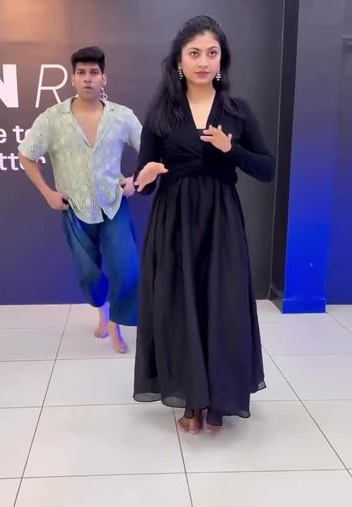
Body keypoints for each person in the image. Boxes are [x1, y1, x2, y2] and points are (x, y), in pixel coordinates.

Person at [133, 16, 275, 432]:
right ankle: (191, 402)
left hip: (220, 223)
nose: (203, 61)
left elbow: (266, 168)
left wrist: (233, 151)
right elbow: (144, 179)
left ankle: (219, 402)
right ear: (179, 61)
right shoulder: (162, 112)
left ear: (221, 60)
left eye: (212, 53)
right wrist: (143, 179)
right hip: (173, 223)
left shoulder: (237, 111)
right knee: (180, 308)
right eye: (194, 53)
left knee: (222, 307)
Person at [19, 46, 141, 353]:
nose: (88, 78)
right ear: (73, 79)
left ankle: (115, 323)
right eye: (81, 73)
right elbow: (26, 156)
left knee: (128, 268)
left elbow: (151, 152)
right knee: (88, 273)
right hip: (74, 208)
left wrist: (136, 181)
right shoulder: (52, 119)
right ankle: (102, 310)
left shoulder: (122, 116)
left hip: (114, 204)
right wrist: (47, 192)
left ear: (104, 78)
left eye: (94, 73)